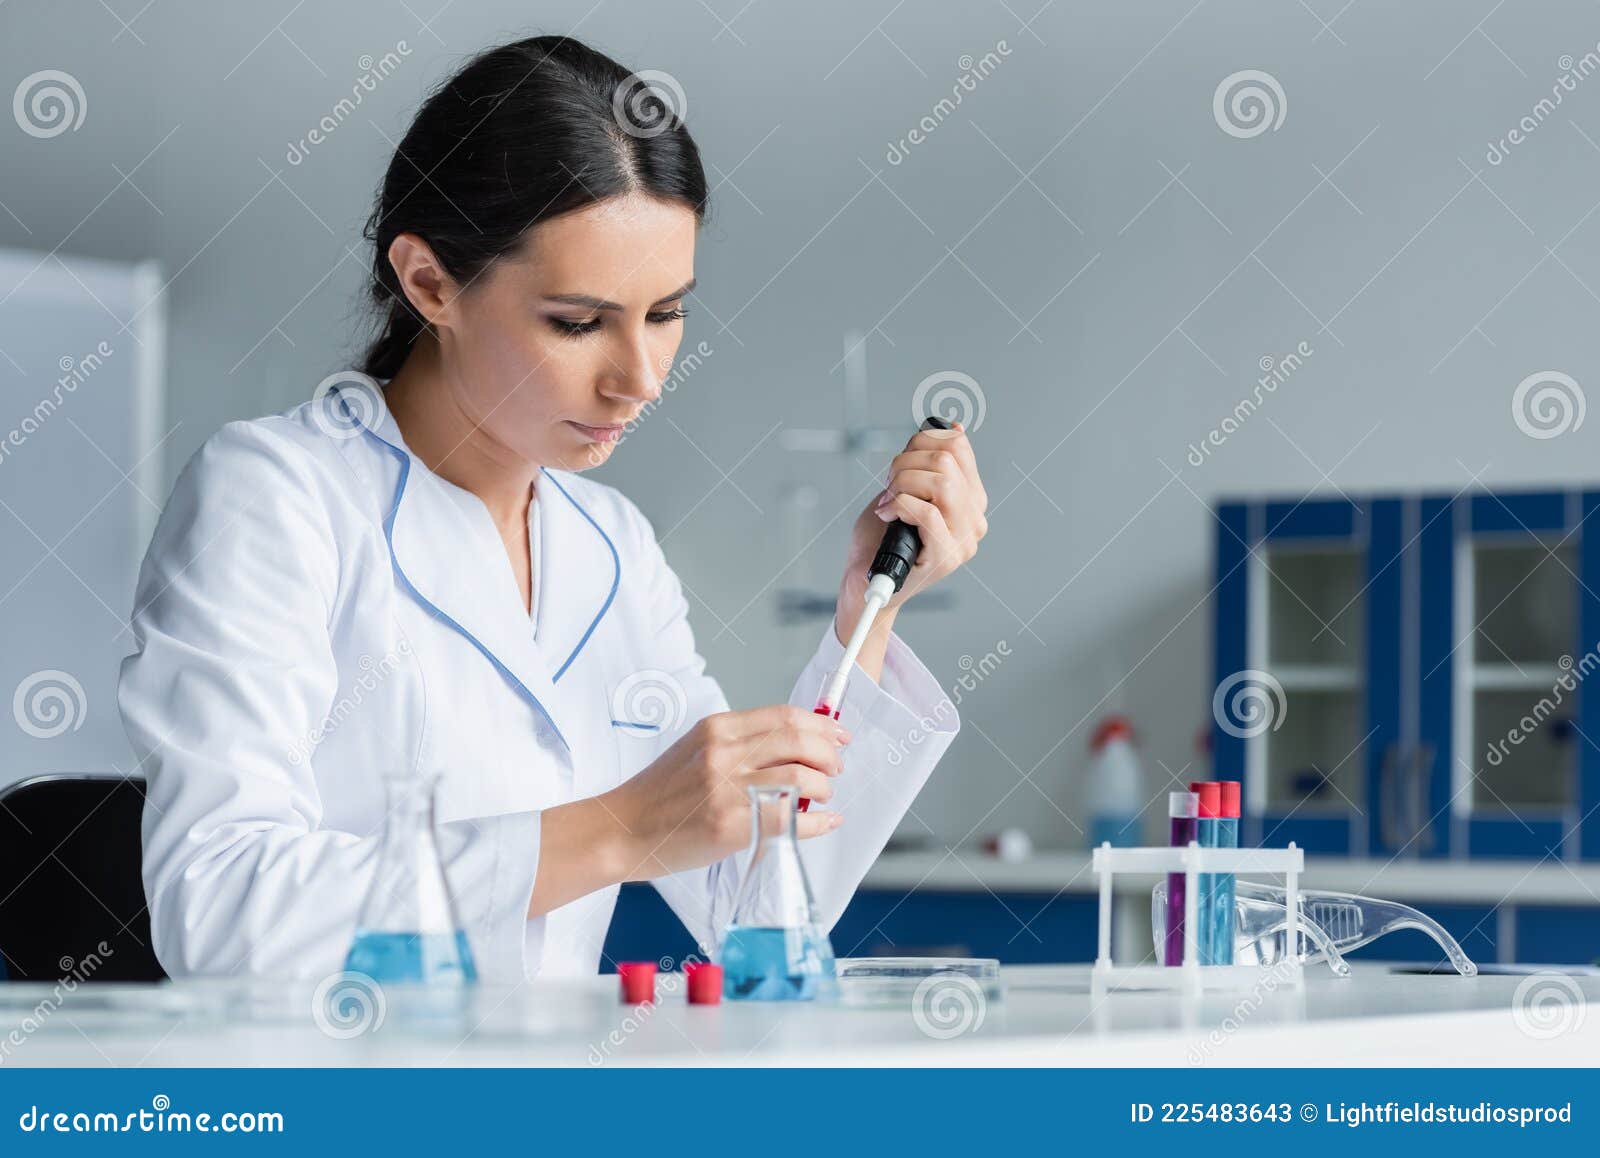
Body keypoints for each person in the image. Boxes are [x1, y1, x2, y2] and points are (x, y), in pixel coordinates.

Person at [118, 35, 988, 981]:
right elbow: (218, 911)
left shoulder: (607, 546)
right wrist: (618, 829)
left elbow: (759, 906)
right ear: (429, 282)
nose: (643, 379)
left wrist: (872, 611)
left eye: (665, 314)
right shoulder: (278, 496)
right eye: (578, 323)